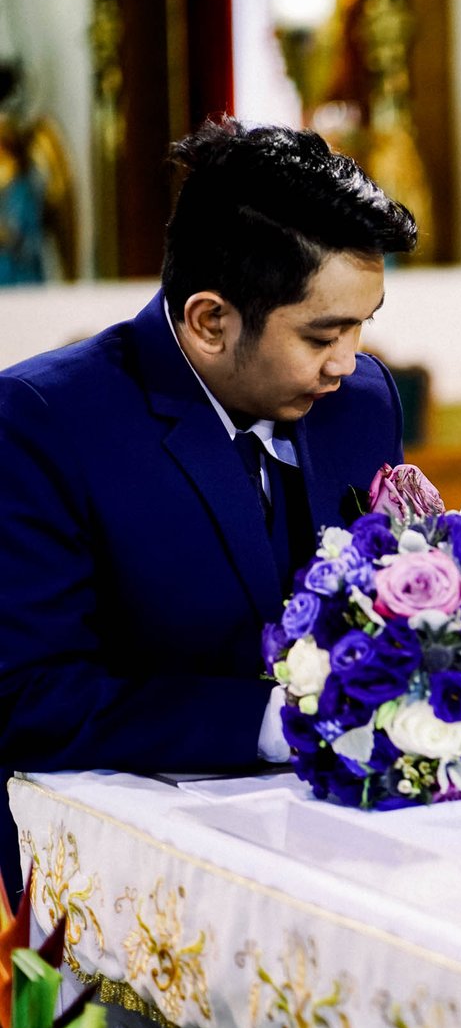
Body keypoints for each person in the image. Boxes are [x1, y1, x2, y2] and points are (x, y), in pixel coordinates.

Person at [0, 118, 417, 902]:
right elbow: (25, 697)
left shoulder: (361, 402)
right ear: (209, 321)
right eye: (323, 335)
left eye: (364, 325)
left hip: (351, 840)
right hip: (131, 866)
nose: (349, 360)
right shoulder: (43, 421)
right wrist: (274, 722)